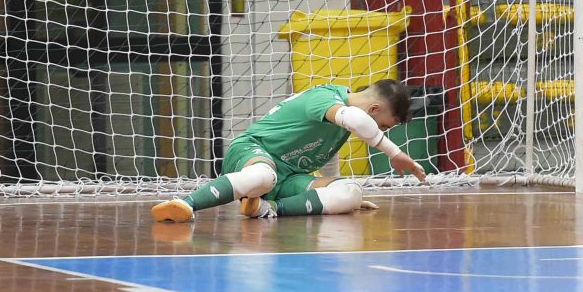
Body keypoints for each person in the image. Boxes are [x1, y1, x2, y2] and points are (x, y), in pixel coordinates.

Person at [152, 79, 426, 221]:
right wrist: (395, 153)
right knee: (264, 176)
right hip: (252, 152)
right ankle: (184, 205)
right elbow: (357, 120)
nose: (379, 131)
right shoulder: (326, 98)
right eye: (383, 126)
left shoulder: (341, 123)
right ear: (374, 110)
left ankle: (266, 208)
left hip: (288, 178)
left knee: (351, 191)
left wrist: (334, 196)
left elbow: (328, 157)